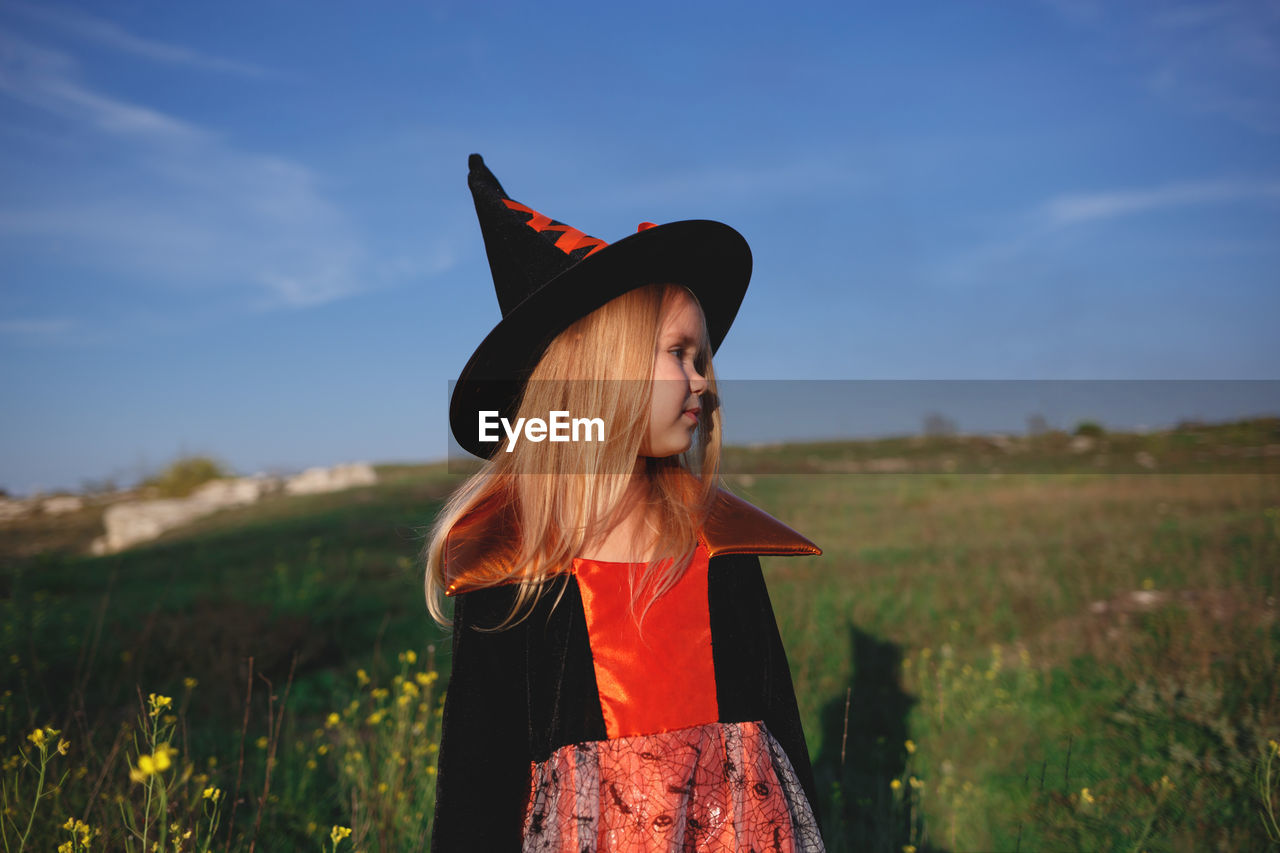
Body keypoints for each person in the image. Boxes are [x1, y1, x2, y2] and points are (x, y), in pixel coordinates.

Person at [424, 154, 825, 852]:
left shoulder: (718, 546)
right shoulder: (513, 571)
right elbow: (475, 790)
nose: (705, 382)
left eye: (703, 359)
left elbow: (784, 746)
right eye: (680, 354)